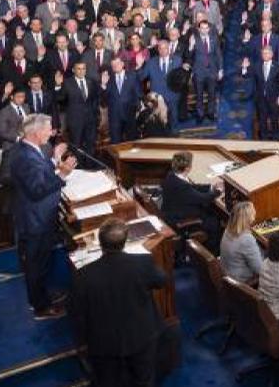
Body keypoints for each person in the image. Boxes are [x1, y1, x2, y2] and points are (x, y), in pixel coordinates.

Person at [69, 218, 166, 387]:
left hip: (104, 342)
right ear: (125, 241)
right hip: (141, 335)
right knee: (144, 380)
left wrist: (82, 341)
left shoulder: (83, 275)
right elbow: (161, 280)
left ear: (100, 243)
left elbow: (76, 312)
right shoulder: (142, 263)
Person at [10, 113, 78, 320]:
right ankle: (40, 307)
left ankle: (42, 295)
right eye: (48, 129)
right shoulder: (25, 157)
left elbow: (40, 173)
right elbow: (38, 188)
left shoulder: (28, 149)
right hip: (35, 220)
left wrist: (54, 161)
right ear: (37, 132)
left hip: (39, 216)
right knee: (36, 263)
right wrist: (63, 173)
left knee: (42, 261)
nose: (51, 132)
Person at [161, 151, 223, 252]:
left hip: (172, 211)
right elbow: (202, 198)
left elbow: (192, 188)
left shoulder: (172, 175)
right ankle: (212, 252)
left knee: (211, 210)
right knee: (214, 221)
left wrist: (210, 186)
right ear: (187, 168)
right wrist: (218, 192)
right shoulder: (182, 186)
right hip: (178, 219)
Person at [219, 201, 263, 284]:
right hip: (240, 283)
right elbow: (259, 270)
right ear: (248, 219)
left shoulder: (228, 229)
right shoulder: (246, 239)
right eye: (253, 214)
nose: (254, 217)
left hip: (228, 273)